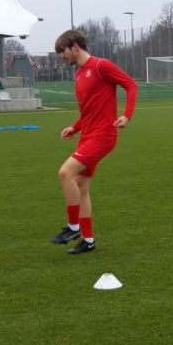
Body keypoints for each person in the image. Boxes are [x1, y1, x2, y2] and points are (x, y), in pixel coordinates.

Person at [50, 29, 137, 254]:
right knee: (81, 185)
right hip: (87, 135)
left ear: (75, 46)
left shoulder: (101, 66)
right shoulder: (79, 74)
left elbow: (130, 84)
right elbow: (88, 111)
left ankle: (73, 227)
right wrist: (75, 127)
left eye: (63, 51)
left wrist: (127, 115)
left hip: (103, 136)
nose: (62, 56)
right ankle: (88, 241)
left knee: (65, 173)